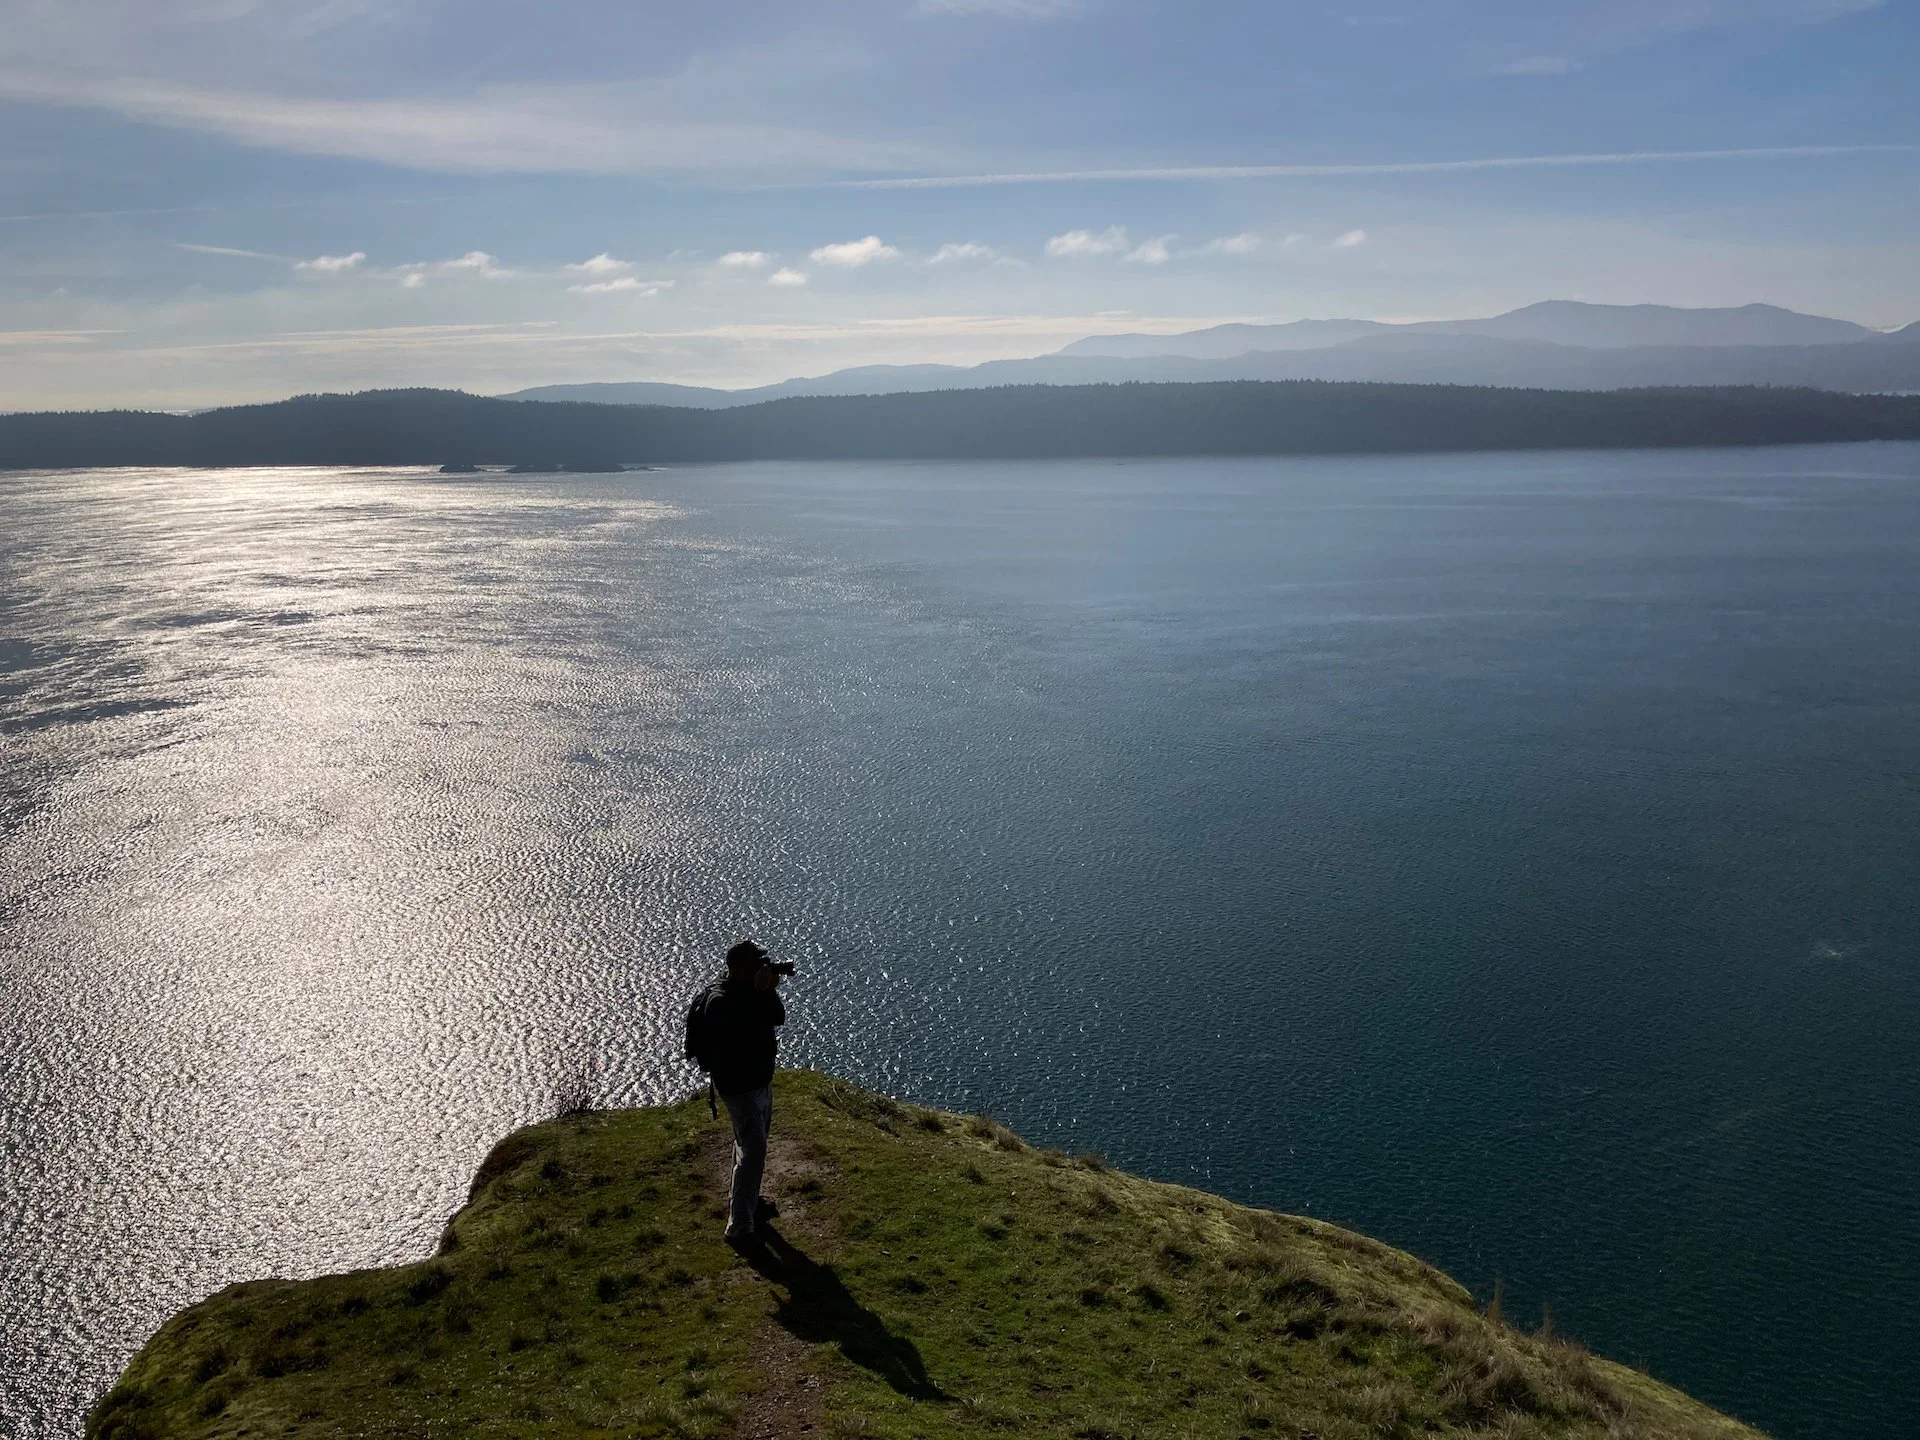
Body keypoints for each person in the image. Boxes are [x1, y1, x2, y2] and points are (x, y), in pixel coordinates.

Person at [702, 940, 786, 1246]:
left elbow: (778, 1017)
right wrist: (759, 994)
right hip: (740, 1089)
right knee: (754, 1152)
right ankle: (738, 1227)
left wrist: (766, 991)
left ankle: (750, 1205)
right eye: (754, 965)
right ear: (738, 968)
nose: (760, 968)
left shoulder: (752, 992)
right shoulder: (720, 1001)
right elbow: (737, 1033)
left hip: (760, 1082)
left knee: (750, 1148)